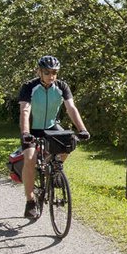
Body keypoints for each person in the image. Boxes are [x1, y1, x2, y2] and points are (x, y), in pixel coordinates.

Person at [18, 55, 90, 219]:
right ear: (39, 72)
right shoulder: (29, 87)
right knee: (29, 158)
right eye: (47, 72)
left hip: (51, 126)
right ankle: (30, 201)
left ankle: (55, 170)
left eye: (54, 72)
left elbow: (71, 108)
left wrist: (82, 129)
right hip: (31, 128)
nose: (51, 76)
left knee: (69, 143)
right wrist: (25, 134)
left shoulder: (61, 86)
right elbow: (25, 110)